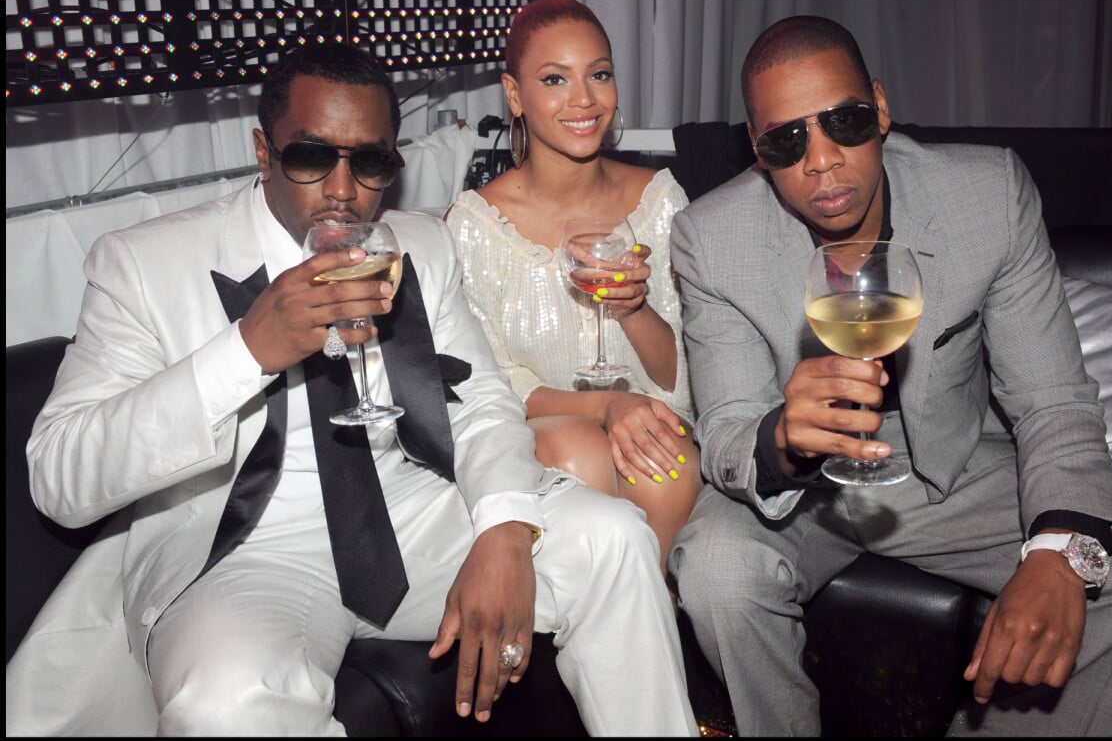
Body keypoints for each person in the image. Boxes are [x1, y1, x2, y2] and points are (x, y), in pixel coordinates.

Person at [9, 40, 697, 737]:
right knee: (226, 701)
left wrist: (503, 528)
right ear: (262, 151)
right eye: (311, 156)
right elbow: (60, 480)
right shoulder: (142, 263)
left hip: (411, 518)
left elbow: (484, 401)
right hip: (243, 552)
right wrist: (247, 351)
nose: (342, 190)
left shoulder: (419, 244)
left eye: (369, 161)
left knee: (615, 539)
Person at [667, 15, 1112, 736]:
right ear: (758, 153)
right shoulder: (709, 237)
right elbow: (726, 428)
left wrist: (1056, 550)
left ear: (879, 109)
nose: (820, 161)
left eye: (844, 122)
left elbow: (1052, 399)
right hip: (805, 493)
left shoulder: (987, 194)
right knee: (715, 571)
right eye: (787, 141)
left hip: (953, 472)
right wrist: (782, 438)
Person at [443, 0, 701, 577]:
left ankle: (649, 613)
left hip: (648, 415)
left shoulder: (660, 199)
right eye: (554, 78)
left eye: (599, 74)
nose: (583, 99)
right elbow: (491, 382)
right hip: (538, 428)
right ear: (515, 95)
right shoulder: (477, 224)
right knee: (584, 451)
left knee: (671, 465)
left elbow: (681, 376)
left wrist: (633, 309)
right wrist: (605, 405)